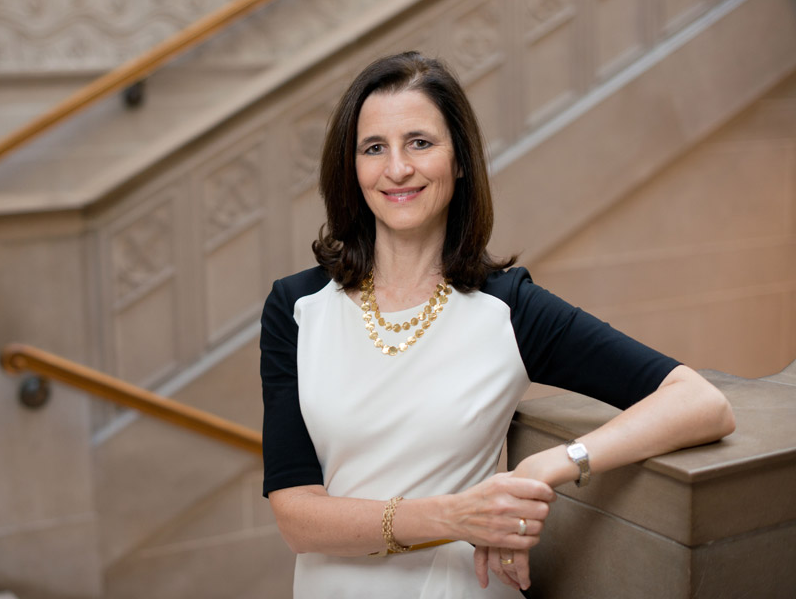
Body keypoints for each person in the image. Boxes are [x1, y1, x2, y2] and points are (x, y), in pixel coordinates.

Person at [259, 51, 734, 598]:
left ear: (459, 160)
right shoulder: (297, 308)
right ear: (353, 168)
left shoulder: (509, 308)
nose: (396, 169)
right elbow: (296, 517)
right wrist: (455, 518)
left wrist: (550, 464)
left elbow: (700, 402)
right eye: (374, 148)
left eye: (420, 142)